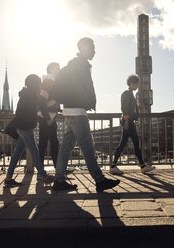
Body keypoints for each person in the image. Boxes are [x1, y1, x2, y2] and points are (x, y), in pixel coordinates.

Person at [51, 37, 120, 192]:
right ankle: (99, 180)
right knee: (87, 147)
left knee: (66, 147)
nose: (94, 51)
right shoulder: (80, 65)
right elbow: (79, 88)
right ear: (83, 48)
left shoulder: (75, 65)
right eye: (92, 47)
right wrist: (83, 100)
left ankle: (59, 180)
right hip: (77, 112)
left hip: (70, 111)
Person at [4, 74, 54, 187]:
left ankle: (8, 178)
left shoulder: (28, 94)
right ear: (35, 84)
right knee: (34, 151)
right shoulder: (29, 95)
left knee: (17, 153)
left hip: (23, 126)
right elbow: (21, 112)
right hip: (24, 126)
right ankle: (44, 175)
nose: (40, 85)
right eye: (38, 83)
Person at [110, 75, 155, 175]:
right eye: (137, 83)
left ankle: (142, 166)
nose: (138, 85)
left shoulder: (130, 94)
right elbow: (124, 108)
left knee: (134, 143)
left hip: (129, 121)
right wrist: (126, 121)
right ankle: (114, 166)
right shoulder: (127, 94)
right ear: (132, 83)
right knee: (126, 144)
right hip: (128, 121)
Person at [37, 62, 61, 168]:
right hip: (46, 117)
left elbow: (49, 100)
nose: (59, 70)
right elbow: (41, 101)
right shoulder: (49, 80)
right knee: (44, 144)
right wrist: (47, 118)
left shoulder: (51, 81)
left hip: (49, 116)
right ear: (51, 69)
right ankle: (41, 171)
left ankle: (59, 169)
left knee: (53, 143)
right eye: (57, 69)